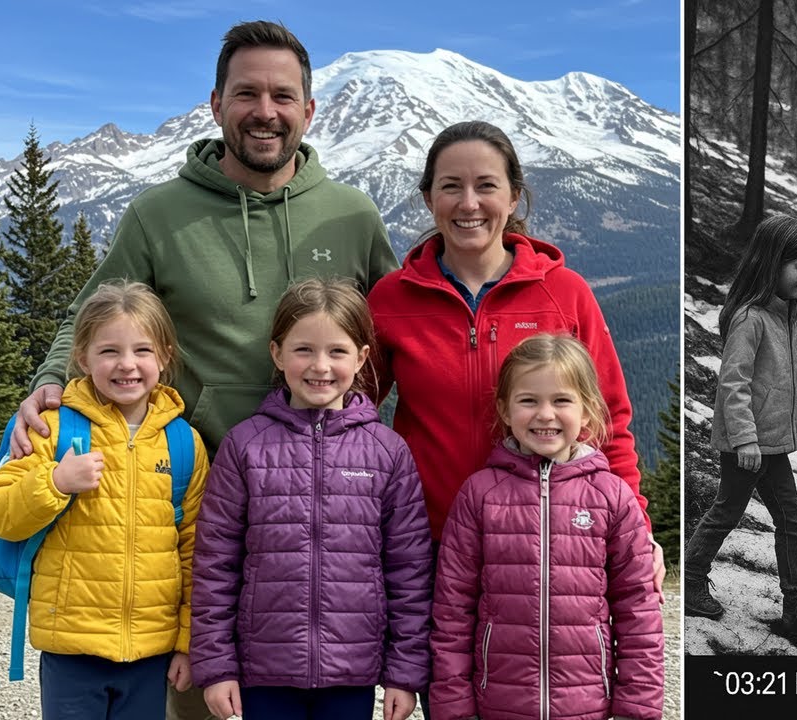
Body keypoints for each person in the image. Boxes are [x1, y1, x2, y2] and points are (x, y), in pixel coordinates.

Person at [5, 22, 399, 718]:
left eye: (283, 95)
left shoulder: (351, 213)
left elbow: (398, 326)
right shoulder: (161, 214)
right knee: (201, 697)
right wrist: (46, 381)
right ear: (215, 104)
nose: (265, 110)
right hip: (193, 498)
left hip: (317, 503)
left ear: (309, 111)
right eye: (247, 92)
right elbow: (93, 310)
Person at [367, 120, 664, 584]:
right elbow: (350, 414)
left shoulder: (563, 293)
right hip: (425, 545)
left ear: (513, 196)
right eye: (451, 187)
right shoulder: (390, 300)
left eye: (486, 186)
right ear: (429, 199)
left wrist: (633, 529)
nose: (469, 204)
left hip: (549, 543)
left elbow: (609, 422)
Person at [190, 278, 433, 719]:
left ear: (361, 358)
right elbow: (214, 566)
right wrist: (217, 666)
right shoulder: (245, 446)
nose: (320, 366)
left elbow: (409, 572)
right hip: (264, 672)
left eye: (337, 351)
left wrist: (404, 672)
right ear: (277, 353)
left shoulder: (387, 452)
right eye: (303, 350)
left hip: (352, 672)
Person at [0, 282, 208, 719]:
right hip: (71, 648)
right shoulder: (51, 428)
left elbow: (195, 551)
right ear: (82, 357)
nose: (127, 365)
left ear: (164, 356)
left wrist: (186, 643)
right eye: (109, 352)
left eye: (142, 350)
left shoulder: (183, 444)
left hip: (151, 651)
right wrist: (55, 482)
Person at [429, 334, 663, 720]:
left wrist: (636, 707)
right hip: (498, 705)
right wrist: (454, 707)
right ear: (504, 409)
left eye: (561, 401)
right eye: (528, 401)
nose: (545, 414)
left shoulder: (611, 496)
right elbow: (452, 611)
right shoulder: (479, 495)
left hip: (587, 705)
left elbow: (639, 612)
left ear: (587, 410)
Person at [682, 214, 797, 636]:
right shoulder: (750, 319)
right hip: (748, 446)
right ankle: (691, 578)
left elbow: (794, 377)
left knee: (790, 518)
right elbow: (732, 385)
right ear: (771, 262)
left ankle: (796, 604)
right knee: (727, 512)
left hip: (770, 445)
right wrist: (744, 440)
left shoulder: (786, 315)